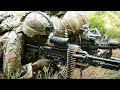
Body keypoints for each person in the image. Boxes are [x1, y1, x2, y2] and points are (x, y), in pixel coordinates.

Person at [0, 11, 54, 78]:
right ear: (32, 34)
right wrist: (36, 65)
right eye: (43, 36)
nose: (47, 39)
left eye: (47, 35)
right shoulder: (13, 46)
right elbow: (11, 74)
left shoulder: (30, 37)